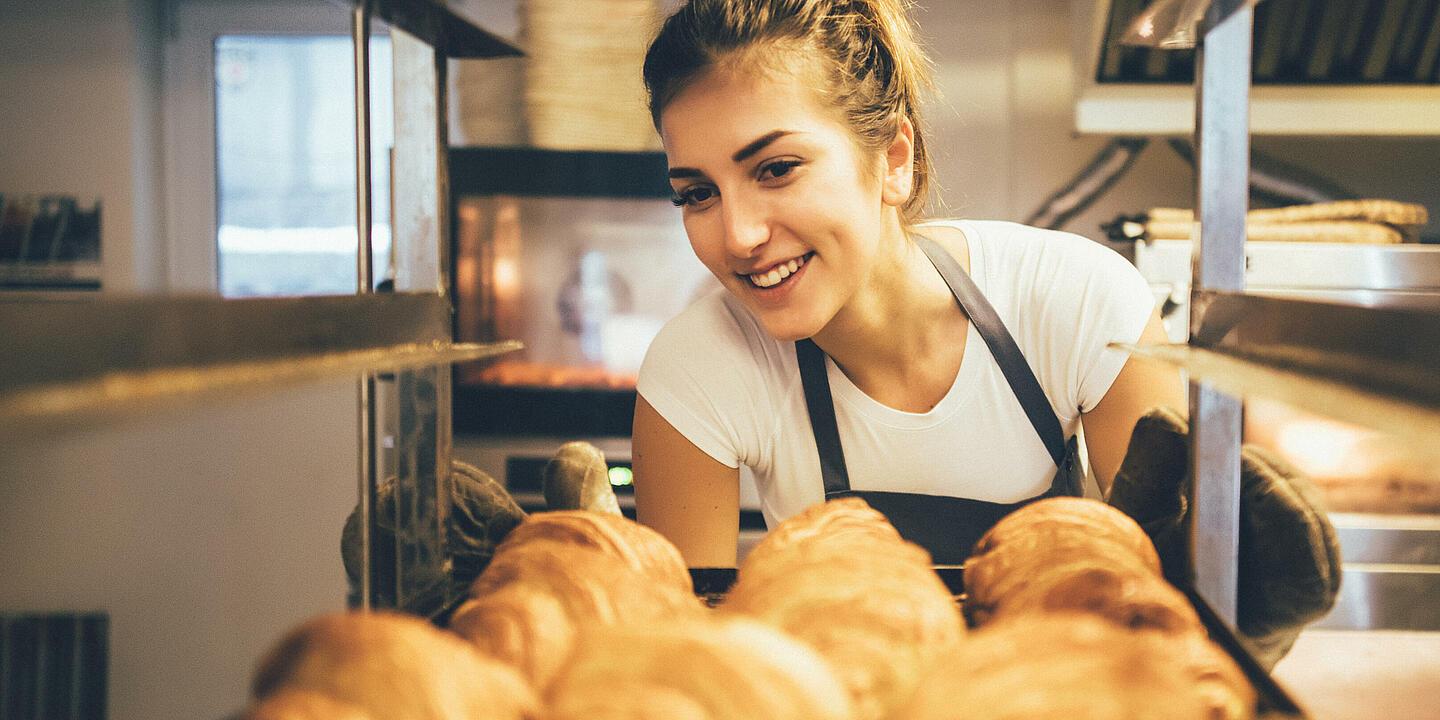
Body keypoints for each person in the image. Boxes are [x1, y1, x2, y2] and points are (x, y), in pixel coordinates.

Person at [631, 0, 1185, 568]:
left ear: (894, 160)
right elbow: (684, 640)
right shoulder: (699, 364)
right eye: (697, 194)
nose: (739, 237)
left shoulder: (1079, 300)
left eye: (776, 169)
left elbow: (1167, 610)